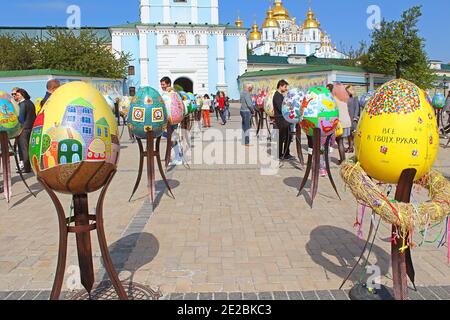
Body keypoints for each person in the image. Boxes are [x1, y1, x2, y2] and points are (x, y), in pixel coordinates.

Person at [160, 76, 182, 165]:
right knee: (171, 137)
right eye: (161, 84)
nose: (162, 86)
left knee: (171, 137)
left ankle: (178, 157)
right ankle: (177, 155)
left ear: (168, 84)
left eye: (163, 84)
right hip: (168, 119)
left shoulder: (171, 93)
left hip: (172, 119)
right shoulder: (166, 93)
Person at [16, 89, 36, 173]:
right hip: (31, 128)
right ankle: (31, 166)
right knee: (29, 148)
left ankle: (27, 168)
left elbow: (21, 118)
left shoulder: (22, 104)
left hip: (23, 129)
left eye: (17, 95)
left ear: (22, 95)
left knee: (24, 149)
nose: (16, 97)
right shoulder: (31, 103)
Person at [273, 80, 293, 160]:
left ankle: (284, 153)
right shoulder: (277, 96)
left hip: (282, 119)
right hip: (281, 120)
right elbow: (281, 108)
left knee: (285, 137)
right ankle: (283, 154)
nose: (286, 88)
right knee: (284, 137)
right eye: (285, 87)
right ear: (280, 86)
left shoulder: (279, 95)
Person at [345, 85, 360, 153]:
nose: (347, 92)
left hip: (353, 117)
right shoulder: (346, 97)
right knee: (348, 133)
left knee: (352, 133)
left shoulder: (355, 97)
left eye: (347, 91)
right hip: (347, 117)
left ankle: (351, 147)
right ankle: (350, 147)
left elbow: (357, 107)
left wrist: (355, 117)